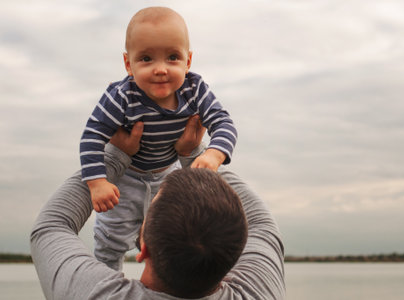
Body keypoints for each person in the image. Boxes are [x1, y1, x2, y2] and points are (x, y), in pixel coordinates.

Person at [30, 118, 285, 299]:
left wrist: (114, 156)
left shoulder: (98, 294)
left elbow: (52, 226)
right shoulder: (258, 291)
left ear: (144, 249)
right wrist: (194, 154)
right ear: (236, 256)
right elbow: (261, 223)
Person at [79, 7, 237, 270]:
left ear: (188, 61)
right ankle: (107, 286)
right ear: (128, 64)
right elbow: (92, 136)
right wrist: (97, 183)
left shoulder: (194, 89)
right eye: (146, 59)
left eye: (173, 57)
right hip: (126, 177)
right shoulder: (121, 96)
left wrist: (213, 154)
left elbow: (224, 122)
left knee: (169, 238)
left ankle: (165, 288)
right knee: (111, 240)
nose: (160, 69)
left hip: (168, 174)